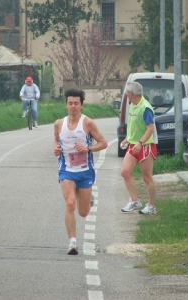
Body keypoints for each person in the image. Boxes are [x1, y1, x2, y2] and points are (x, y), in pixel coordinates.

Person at [53, 88, 108, 255]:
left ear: (82, 105)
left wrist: (88, 149)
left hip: (85, 170)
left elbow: (103, 143)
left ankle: (85, 197)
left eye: (76, 103)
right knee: (70, 203)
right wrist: (56, 148)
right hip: (66, 169)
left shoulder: (88, 123)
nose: (73, 106)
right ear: (66, 104)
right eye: (70, 103)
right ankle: (72, 242)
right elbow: (56, 139)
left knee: (83, 212)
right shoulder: (59, 124)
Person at [120, 81, 158, 215]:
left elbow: (150, 129)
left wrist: (140, 143)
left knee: (147, 177)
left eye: (126, 92)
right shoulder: (132, 105)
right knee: (125, 172)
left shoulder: (145, 108)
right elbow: (133, 126)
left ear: (130, 93)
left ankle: (151, 206)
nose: (125, 94)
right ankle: (135, 201)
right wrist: (127, 139)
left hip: (145, 145)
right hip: (133, 145)